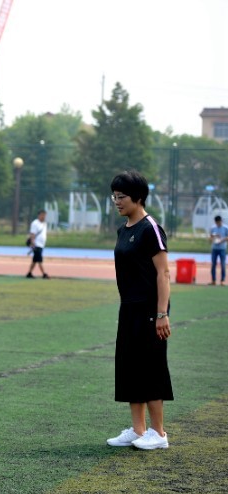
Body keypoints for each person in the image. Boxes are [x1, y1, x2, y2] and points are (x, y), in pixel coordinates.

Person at [106, 170, 172, 451]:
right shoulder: (124, 229)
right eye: (114, 196)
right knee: (130, 366)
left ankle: (158, 433)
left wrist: (161, 313)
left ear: (138, 198)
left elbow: (164, 273)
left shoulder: (150, 228)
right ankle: (138, 429)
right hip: (129, 308)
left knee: (150, 367)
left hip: (149, 309)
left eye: (121, 197)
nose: (116, 201)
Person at [26, 209, 49, 278]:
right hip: (37, 244)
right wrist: (33, 243)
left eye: (45, 215)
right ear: (39, 215)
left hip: (41, 244)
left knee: (35, 260)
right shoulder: (35, 223)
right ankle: (44, 274)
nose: (44, 217)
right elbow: (32, 233)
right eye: (42, 215)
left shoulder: (44, 224)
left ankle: (29, 273)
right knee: (39, 260)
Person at [209, 214, 227, 285]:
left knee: (223, 265)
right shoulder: (213, 228)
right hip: (214, 248)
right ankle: (213, 280)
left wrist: (222, 240)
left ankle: (222, 280)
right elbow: (210, 238)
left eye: (219, 222)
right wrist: (213, 238)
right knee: (213, 264)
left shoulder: (225, 228)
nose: (218, 224)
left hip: (222, 248)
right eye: (216, 222)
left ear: (221, 221)